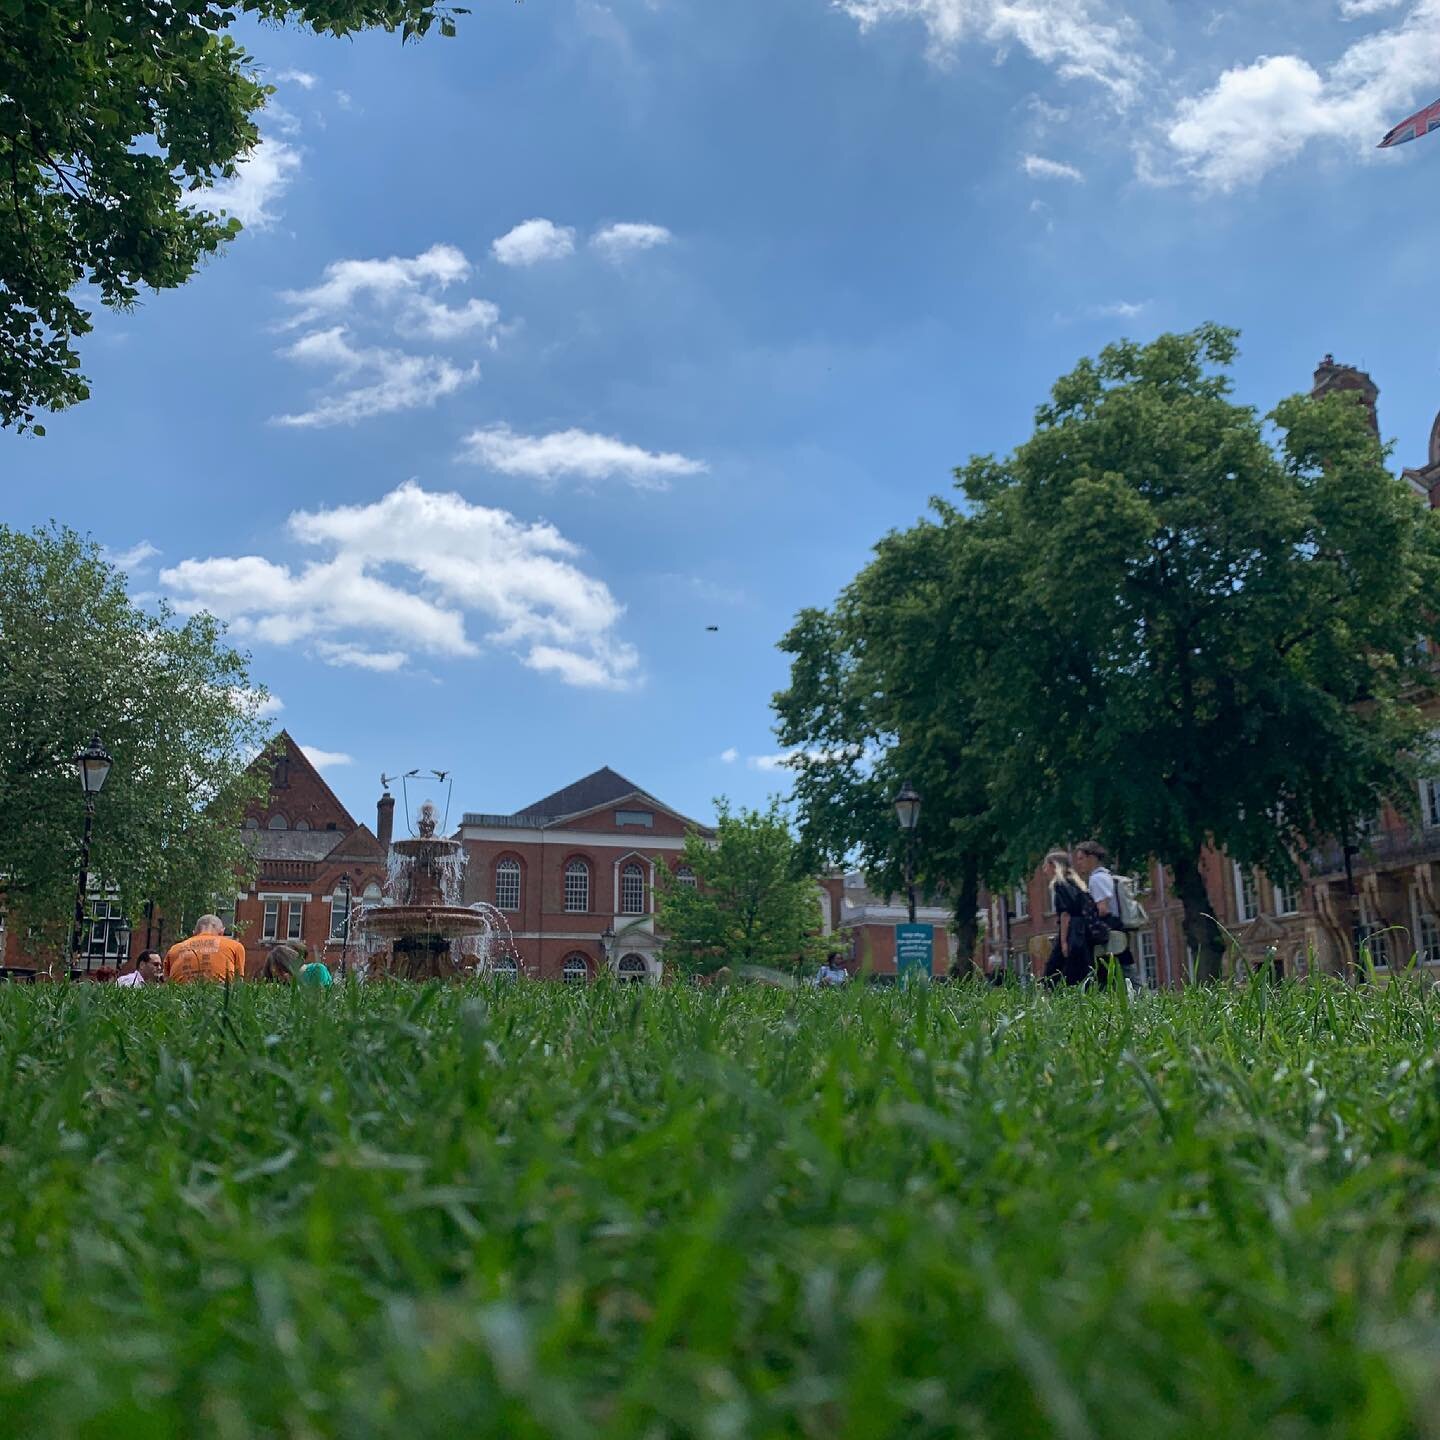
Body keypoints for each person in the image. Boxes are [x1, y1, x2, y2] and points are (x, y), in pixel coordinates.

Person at [1073, 840, 1139, 991]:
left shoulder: (1096, 879)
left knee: (1118, 971)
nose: (1079, 863)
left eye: (1081, 858)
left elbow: (1103, 908)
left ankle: (1139, 999)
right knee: (1116, 970)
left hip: (1108, 931)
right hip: (1116, 929)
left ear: (1092, 858)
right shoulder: (1107, 875)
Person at [1042, 849, 1095, 986]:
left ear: (1054, 866)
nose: (1044, 870)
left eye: (1046, 865)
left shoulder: (1060, 885)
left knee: (1052, 972)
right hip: (1083, 931)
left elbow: (1065, 914)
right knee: (1079, 970)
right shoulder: (1077, 884)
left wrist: (1063, 941)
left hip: (1071, 932)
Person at [163, 915, 246, 984]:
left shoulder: (174, 950)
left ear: (194, 933)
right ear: (222, 932)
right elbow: (238, 985)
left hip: (181, 999)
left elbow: (166, 983)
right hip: (220, 998)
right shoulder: (235, 946)